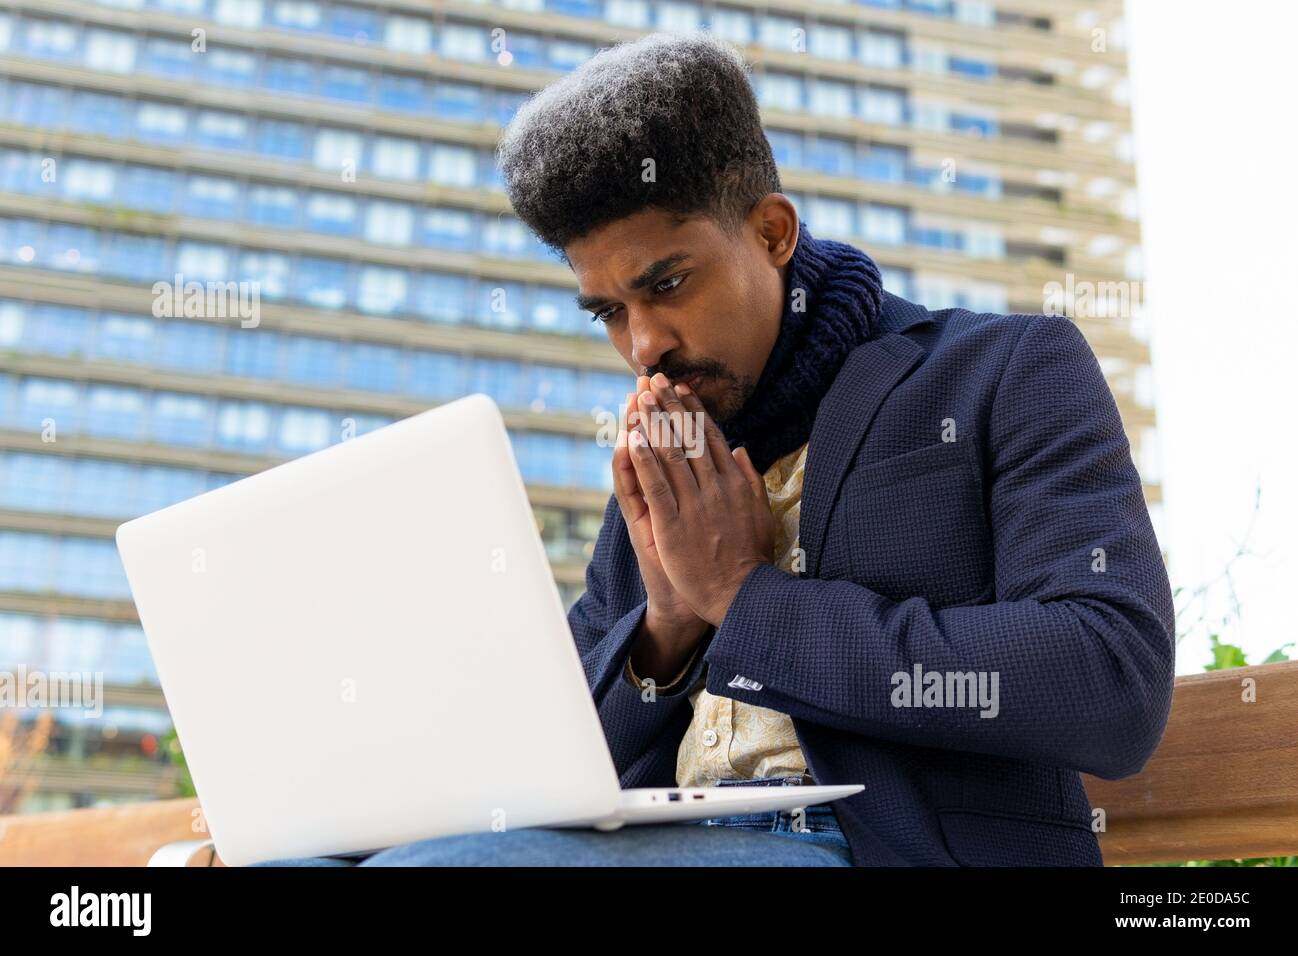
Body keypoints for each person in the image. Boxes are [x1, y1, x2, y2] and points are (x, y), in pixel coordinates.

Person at [256, 30, 1174, 867]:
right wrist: (665, 629)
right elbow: (554, 761)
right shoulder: (664, 463)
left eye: (667, 283)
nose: (643, 343)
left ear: (772, 232)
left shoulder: (1002, 370)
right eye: (609, 311)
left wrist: (743, 598)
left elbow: (1109, 678)